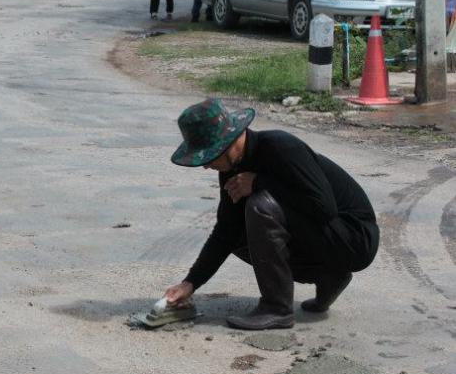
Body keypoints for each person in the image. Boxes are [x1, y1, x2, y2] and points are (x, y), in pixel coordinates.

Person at [162, 99, 379, 330]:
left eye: (209, 157)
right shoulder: (232, 168)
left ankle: (277, 308)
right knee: (236, 233)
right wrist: (190, 283)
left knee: (260, 206)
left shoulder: (281, 147)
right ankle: (329, 277)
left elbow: (324, 208)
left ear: (228, 143)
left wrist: (259, 183)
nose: (206, 166)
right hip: (324, 236)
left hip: (355, 237)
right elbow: (225, 232)